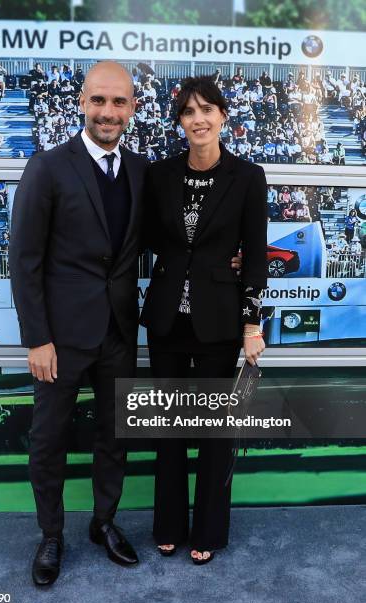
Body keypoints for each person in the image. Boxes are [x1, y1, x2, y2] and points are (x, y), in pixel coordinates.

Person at [9, 61, 148, 584]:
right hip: (60, 340)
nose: (108, 112)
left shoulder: (139, 171)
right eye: (99, 101)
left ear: (132, 107)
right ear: (82, 102)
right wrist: (37, 339)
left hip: (118, 332)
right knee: (49, 440)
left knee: (115, 436)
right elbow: (24, 258)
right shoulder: (47, 166)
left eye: (119, 102)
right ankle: (51, 535)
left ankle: (104, 522)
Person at [140, 76, 267, 565]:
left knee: (216, 433)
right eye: (189, 111)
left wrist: (251, 324)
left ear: (222, 116)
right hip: (167, 319)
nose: (198, 119)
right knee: (168, 430)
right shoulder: (160, 175)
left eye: (207, 109)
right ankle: (169, 524)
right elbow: (152, 237)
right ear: (179, 122)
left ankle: (208, 531)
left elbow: (255, 256)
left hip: (219, 320)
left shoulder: (247, 176)